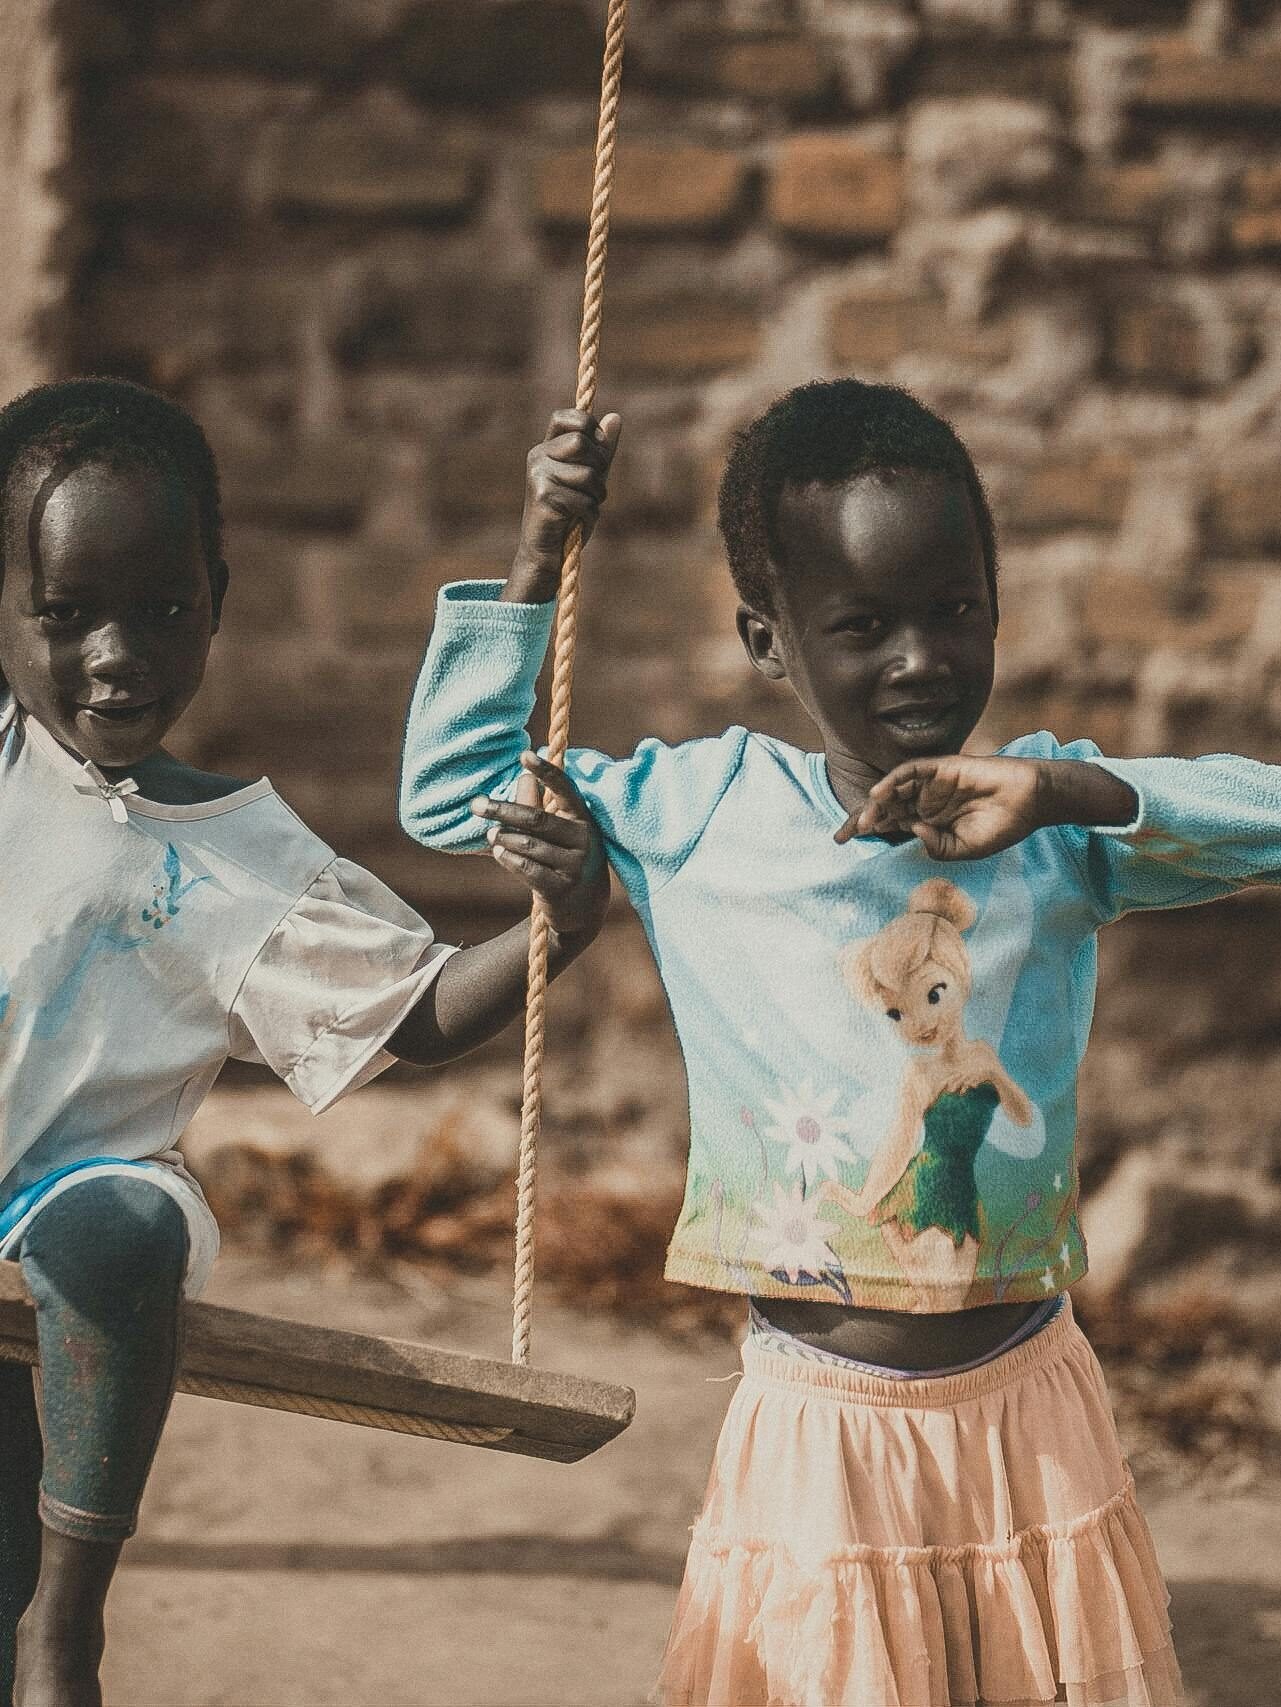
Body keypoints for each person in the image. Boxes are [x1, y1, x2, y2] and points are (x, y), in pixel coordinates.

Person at [397, 375, 1281, 1705]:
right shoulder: (698, 811)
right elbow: (452, 794)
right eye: (860, 626)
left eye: (951, 612)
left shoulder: (1045, 824)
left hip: (1029, 1408)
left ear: (994, 606)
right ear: (768, 642)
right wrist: (539, 549)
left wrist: (1064, 789)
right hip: (820, 1422)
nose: (918, 658)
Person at [0, 377, 609, 1707]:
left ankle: (69, 1626)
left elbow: (421, 1011)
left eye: (162, 610)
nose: (119, 653)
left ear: (216, 598)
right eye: (66, 613)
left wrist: (558, 930)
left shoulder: (241, 858)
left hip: (62, 1206)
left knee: (123, 1236)